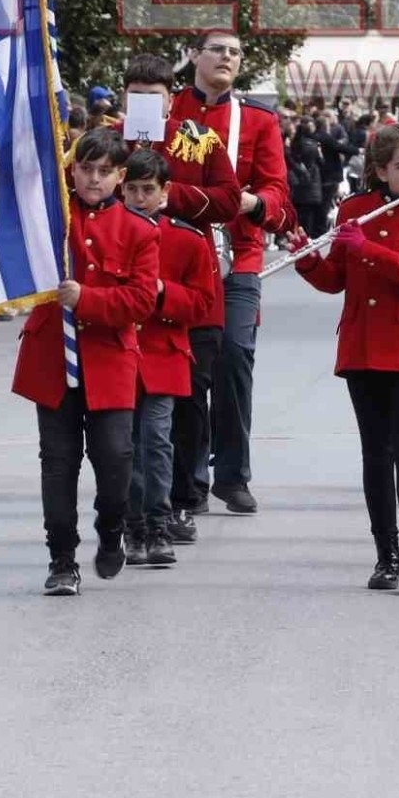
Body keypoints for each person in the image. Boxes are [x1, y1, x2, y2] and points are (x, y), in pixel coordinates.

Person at [289, 122, 399, 591]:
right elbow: (334, 280)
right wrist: (307, 257)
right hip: (363, 345)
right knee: (375, 452)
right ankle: (385, 555)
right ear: (380, 171)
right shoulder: (354, 209)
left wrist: (368, 250)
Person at [11, 127, 161, 596]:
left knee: (116, 458)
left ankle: (112, 528)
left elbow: (140, 301)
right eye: (84, 169)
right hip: (53, 356)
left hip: (109, 360)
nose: (92, 179)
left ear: (120, 177)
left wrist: (88, 299)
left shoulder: (139, 231)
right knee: (58, 463)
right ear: (71, 171)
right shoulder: (53, 220)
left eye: (103, 171)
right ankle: (61, 558)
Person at [168, 30, 289, 516]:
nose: (227, 57)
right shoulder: (167, 110)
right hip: (177, 254)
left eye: (236, 52)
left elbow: (278, 193)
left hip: (238, 253)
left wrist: (255, 202)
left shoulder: (257, 120)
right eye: (217, 49)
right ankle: (189, 477)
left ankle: (232, 474)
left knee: (235, 356)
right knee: (190, 366)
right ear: (194, 55)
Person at [123, 52, 240, 534]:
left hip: (188, 276)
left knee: (192, 396)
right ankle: (140, 505)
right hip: (124, 282)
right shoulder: (106, 143)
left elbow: (231, 201)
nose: (145, 105)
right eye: (136, 98)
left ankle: (186, 494)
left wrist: (171, 195)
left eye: (153, 98)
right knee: (131, 409)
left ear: (170, 101)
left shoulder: (199, 140)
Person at [120, 147, 220, 570]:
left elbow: (202, 304)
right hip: (120, 354)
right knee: (123, 446)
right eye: (132, 190)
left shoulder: (187, 239)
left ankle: (158, 524)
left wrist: (160, 291)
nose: (140, 198)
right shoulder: (109, 231)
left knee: (157, 441)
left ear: (164, 194)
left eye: (148, 190)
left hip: (163, 353)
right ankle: (132, 525)